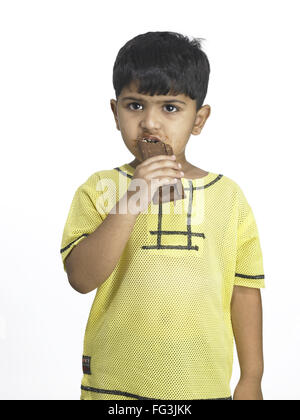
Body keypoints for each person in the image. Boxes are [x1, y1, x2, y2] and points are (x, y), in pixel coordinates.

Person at [60, 31, 265, 400]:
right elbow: (80, 277)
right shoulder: (101, 189)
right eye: (135, 105)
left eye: (170, 108)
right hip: (115, 387)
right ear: (115, 111)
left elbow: (244, 291)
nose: (150, 123)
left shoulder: (228, 197)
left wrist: (252, 377)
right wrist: (133, 199)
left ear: (198, 119)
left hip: (202, 387)